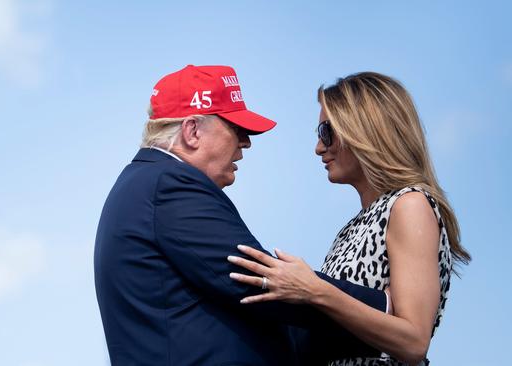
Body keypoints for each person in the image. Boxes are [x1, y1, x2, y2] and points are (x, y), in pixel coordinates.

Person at [94, 65, 390, 366]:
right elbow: (261, 282)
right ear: (192, 131)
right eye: (237, 129)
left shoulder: (148, 184)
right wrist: (385, 308)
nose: (246, 143)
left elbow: (257, 311)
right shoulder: (169, 187)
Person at [228, 72, 471, 365]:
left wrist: (314, 290)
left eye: (326, 132)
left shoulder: (410, 205)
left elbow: (413, 341)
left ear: (365, 130)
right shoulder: (354, 227)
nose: (319, 147)